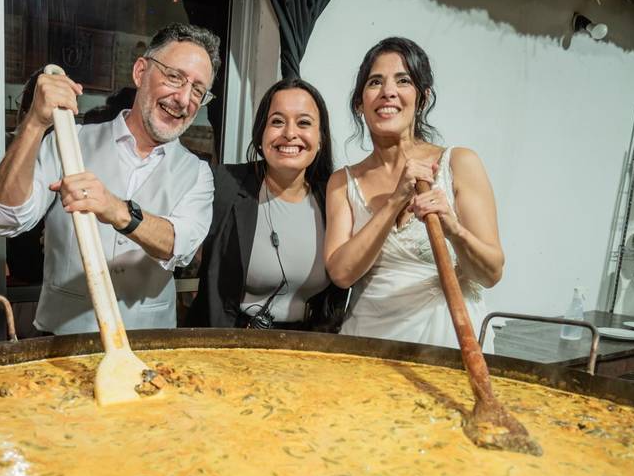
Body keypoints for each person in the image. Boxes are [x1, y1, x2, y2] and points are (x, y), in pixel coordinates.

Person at [0, 23, 220, 334]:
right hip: (63, 340)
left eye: (198, 90)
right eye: (174, 77)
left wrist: (117, 210)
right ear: (140, 73)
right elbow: (5, 218)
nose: (183, 98)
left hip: (148, 345)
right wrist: (35, 124)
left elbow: (179, 245)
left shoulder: (197, 173)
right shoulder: (70, 142)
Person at [324, 37, 504, 350]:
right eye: (375, 82)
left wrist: (453, 228)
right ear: (359, 103)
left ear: (422, 98)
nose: (388, 92)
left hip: (449, 343)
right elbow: (341, 273)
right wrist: (395, 201)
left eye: (403, 80)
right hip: (369, 344)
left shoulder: (459, 164)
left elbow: (490, 273)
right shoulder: (342, 182)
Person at [186, 78, 346, 331]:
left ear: (321, 139)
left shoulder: (335, 197)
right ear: (260, 135)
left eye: (304, 122)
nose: (290, 133)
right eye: (277, 121)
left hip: (309, 348)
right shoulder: (223, 184)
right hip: (230, 344)